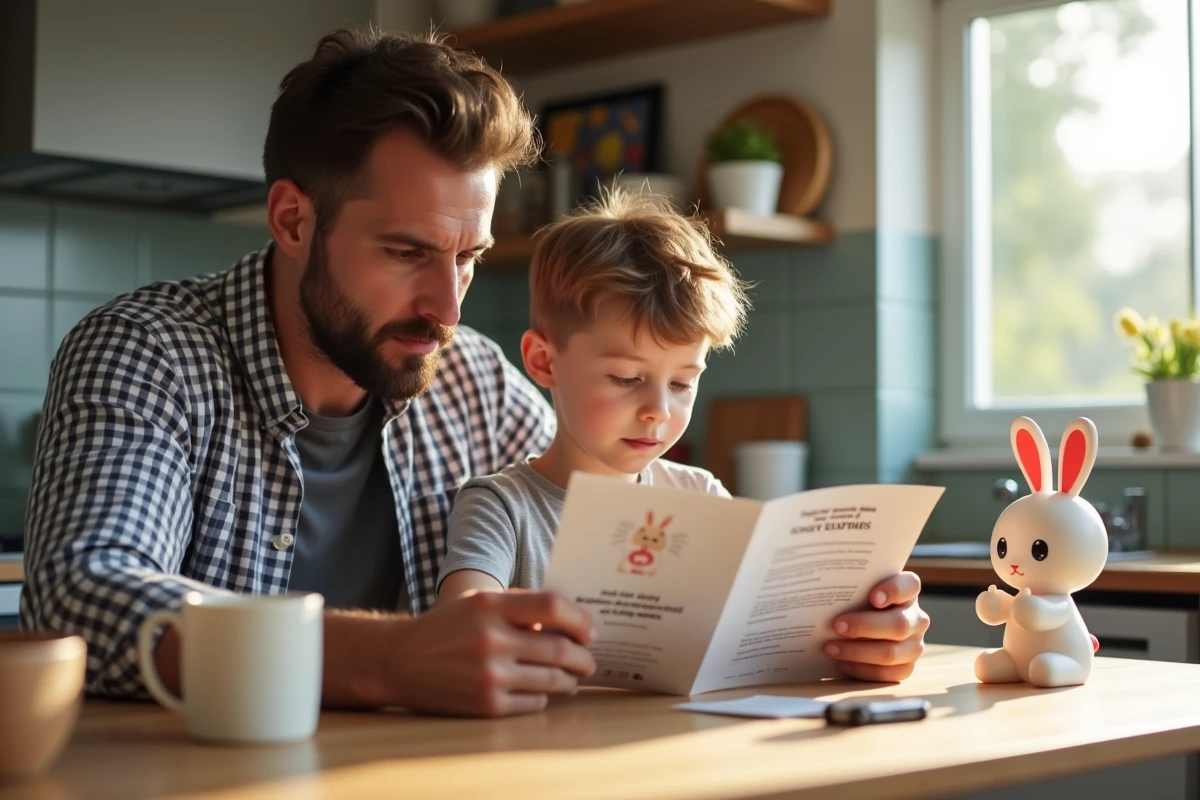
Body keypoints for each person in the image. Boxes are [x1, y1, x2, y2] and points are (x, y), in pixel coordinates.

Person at [20, 29, 929, 718]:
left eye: (468, 257)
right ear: (293, 221)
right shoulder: (148, 352)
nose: (448, 308)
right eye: (409, 250)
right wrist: (389, 657)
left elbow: (618, 536)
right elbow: (86, 595)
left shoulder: (474, 380)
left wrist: (818, 624)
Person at [438, 191, 747, 599]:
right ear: (545, 362)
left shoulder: (701, 498)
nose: (658, 411)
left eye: (681, 384)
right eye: (625, 378)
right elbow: (461, 622)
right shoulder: (501, 508)